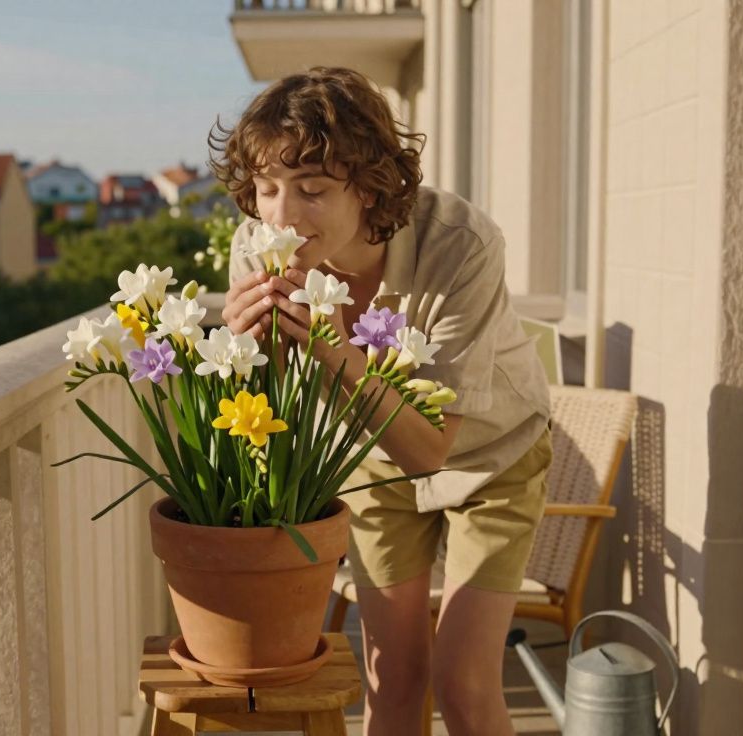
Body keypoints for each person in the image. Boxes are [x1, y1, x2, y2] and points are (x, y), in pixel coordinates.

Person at [212, 66, 552, 736]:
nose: (282, 217)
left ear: (370, 188)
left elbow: (429, 449)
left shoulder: (461, 246)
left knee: (464, 681)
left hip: (491, 457)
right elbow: (268, 405)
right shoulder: (255, 248)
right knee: (390, 678)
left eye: (311, 190)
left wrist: (337, 353)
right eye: (267, 189)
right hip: (372, 455)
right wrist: (244, 349)